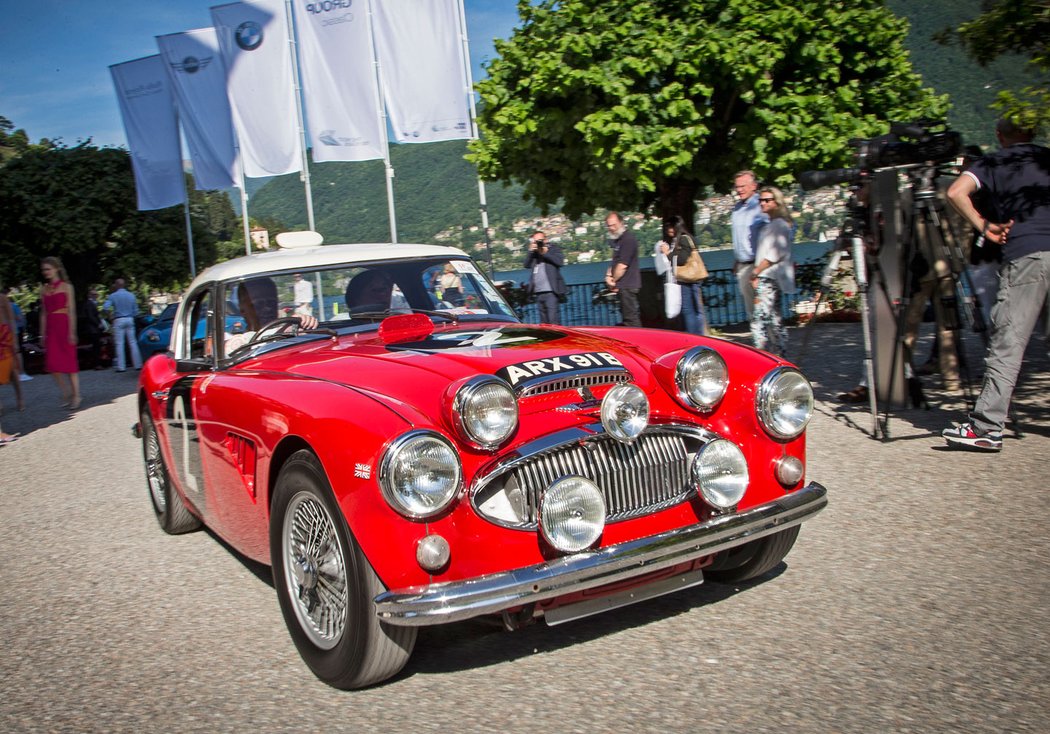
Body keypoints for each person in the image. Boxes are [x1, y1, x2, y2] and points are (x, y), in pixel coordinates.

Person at [942, 118, 1050, 452]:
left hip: (1026, 254)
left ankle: (987, 427)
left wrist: (983, 225)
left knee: (1009, 343)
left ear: (1000, 135)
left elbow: (955, 192)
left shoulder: (993, 161)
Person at [750, 187, 795, 356]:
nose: (762, 203)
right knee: (774, 318)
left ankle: (761, 354)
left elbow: (775, 253)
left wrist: (756, 271)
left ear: (776, 202)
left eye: (767, 200)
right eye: (761, 200)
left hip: (768, 276)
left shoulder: (779, 225)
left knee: (759, 319)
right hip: (768, 276)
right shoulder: (773, 224)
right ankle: (779, 353)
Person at [39, 257, 81, 409]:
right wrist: (42, 333)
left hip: (64, 324)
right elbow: (43, 313)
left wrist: (72, 332)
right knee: (52, 363)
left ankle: (76, 395)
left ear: (56, 268)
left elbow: (72, 311)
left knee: (70, 362)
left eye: (48, 269)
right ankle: (66, 392)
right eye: (44, 269)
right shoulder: (43, 289)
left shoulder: (67, 287)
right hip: (51, 326)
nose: (45, 272)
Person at [657, 216, 707, 335]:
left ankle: (695, 335)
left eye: (669, 226)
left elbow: (682, 260)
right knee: (693, 310)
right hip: (688, 279)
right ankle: (696, 334)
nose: (667, 229)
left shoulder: (683, 239)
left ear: (676, 227)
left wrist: (667, 253)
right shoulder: (681, 239)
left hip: (689, 279)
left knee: (690, 310)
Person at [731, 170, 769, 320]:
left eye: (743, 186)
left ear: (754, 186)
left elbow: (781, 229)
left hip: (758, 266)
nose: (739, 190)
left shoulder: (761, 206)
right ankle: (758, 342)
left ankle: (773, 342)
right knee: (751, 312)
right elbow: (741, 238)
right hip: (743, 267)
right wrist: (737, 261)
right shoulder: (737, 209)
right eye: (737, 187)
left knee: (765, 309)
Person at [604, 211, 642, 327]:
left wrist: (613, 281)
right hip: (623, 286)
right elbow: (615, 262)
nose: (611, 228)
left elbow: (622, 265)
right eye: (609, 226)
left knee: (631, 320)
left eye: (614, 225)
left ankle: (638, 343)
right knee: (627, 319)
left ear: (621, 223)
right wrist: (608, 275)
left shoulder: (627, 239)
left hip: (628, 285)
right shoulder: (618, 241)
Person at [523, 230, 567, 324]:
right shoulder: (534, 254)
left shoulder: (553, 249)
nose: (538, 243)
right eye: (535, 241)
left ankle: (557, 337)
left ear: (546, 240)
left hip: (551, 291)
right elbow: (526, 265)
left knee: (553, 320)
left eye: (540, 241)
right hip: (538, 292)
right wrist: (530, 251)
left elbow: (560, 262)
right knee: (544, 323)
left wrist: (545, 253)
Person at [103, 277, 142, 373]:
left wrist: (110, 316)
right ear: (124, 285)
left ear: (116, 285)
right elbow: (136, 311)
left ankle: (121, 367)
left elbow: (105, 307)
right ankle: (138, 364)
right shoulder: (131, 295)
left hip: (119, 319)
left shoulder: (113, 296)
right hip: (130, 319)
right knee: (133, 342)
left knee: (120, 343)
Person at [0, 283, 25, 414]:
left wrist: (14, 340)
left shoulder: (2, 298)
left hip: (4, 335)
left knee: (12, 370)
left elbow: (10, 319)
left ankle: (20, 397)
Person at [1, 286, 31, 382]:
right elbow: (18, 318)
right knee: (17, 352)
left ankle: (10, 374)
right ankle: (21, 373)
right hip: (14, 329)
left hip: (4, 331)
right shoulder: (13, 305)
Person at [79, 288, 105, 369]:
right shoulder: (89, 304)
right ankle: (97, 364)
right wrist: (98, 324)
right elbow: (90, 316)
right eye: (94, 295)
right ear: (89, 295)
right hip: (93, 329)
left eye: (96, 295)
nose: (95, 296)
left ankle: (97, 363)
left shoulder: (91, 303)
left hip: (93, 328)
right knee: (96, 346)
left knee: (96, 346)